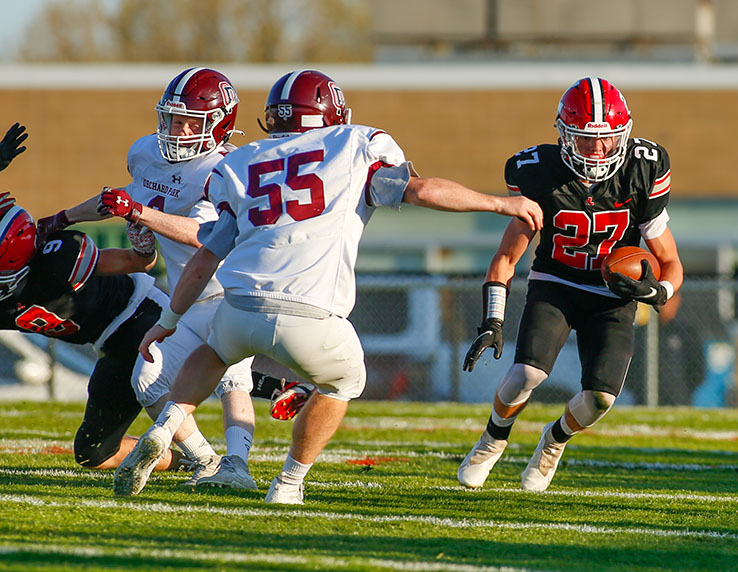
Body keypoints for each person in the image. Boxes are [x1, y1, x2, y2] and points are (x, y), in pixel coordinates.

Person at [115, 69, 543, 504]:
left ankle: (166, 426)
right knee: (343, 380)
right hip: (310, 311)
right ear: (333, 115)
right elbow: (420, 190)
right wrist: (498, 203)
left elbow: (206, 253)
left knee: (213, 353)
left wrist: (169, 319)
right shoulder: (352, 145)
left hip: (240, 303)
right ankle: (287, 484)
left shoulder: (241, 162)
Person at [38, 68, 301, 492]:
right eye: (172, 119)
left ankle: (238, 463)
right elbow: (117, 198)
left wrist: (140, 214)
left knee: (233, 377)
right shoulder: (146, 154)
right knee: (147, 378)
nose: (177, 130)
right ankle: (206, 460)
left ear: (219, 124)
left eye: (190, 123)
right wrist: (61, 218)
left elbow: (202, 235)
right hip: (187, 297)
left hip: (235, 291)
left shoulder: (226, 169)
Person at [457, 77, 684, 492]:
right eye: (584, 141)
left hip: (613, 295)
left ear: (624, 135)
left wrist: (659, 293)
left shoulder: (643, 169)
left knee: (601, 398)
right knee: (526, 373)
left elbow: (670, 262)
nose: (597, 152)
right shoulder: (539, 174)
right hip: (556, 281)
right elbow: (507, 258)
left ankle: (553, 441)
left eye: (607, 141)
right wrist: (493, 320)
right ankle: (493, 438)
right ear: (563, 136)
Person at [1, 193, 190, 473]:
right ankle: (184, 463)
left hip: (141, 314)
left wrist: (144, 247)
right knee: (95, 453)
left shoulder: (58, 260)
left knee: (197, 373)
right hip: (112, 346)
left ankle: (210, 455)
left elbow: (137, 263)